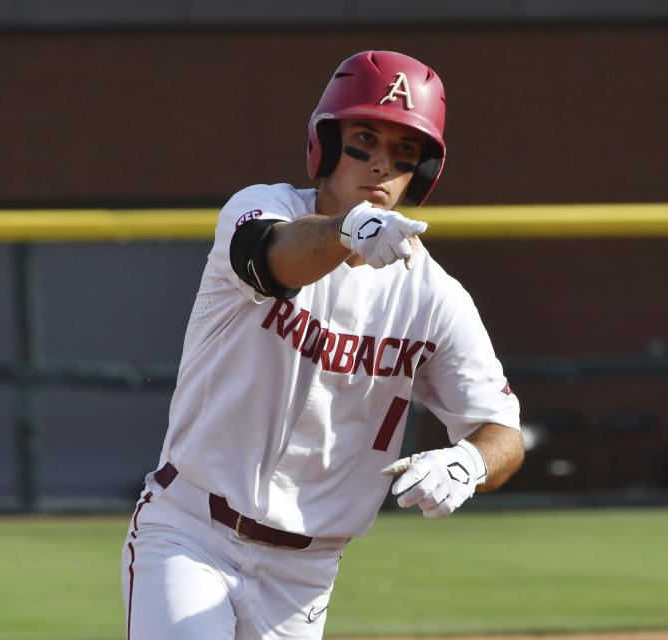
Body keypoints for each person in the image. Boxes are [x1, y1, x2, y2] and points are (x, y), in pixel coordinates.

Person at [121, 50, 524, 640]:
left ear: (423, 173)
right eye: (365, 139)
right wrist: (346, 232)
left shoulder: (435, 298)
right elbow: (272, 256)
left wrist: (469, 461)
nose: (382, 166)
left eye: (403, 153)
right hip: (190, 532)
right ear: (326, 145)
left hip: (304, 572)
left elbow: (501, 430)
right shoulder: (262, 208)